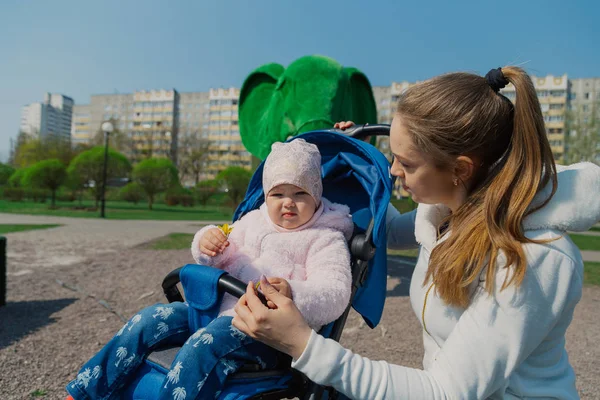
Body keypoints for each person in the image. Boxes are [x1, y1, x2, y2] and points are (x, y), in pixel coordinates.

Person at [232, 67, 600, 399]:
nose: (393, 171)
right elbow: (387, 230)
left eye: (406, 163)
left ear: (460, 169)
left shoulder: (534, 259)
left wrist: (301, 343)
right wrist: (353, 157)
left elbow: (446, 391)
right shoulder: (445, 212)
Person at [66, 138, 354, 400]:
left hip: (267, 334)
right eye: (278, 193)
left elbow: (335, 293)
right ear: (266, 196)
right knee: (148, 319)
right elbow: (221, 256)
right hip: (211, 310)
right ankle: (87, 391)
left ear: (316, 195)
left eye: (300, 193)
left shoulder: (324, 238)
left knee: (203, 345)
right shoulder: (252, 222)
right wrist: (207, 243)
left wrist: (292, 292)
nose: (288, 202)